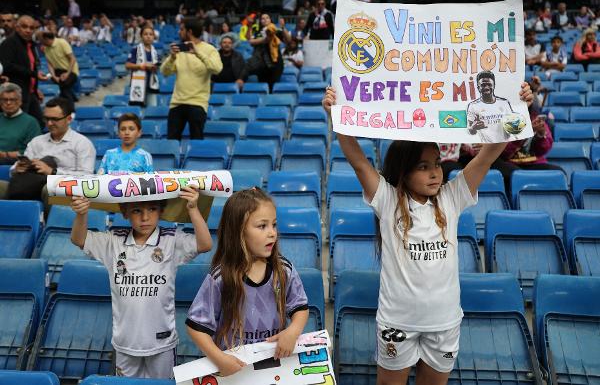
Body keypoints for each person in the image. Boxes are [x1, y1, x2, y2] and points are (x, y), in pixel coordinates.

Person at [321, 82, 532, 385]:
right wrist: (336, 115)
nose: (435, 172)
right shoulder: (388, 199)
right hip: (397, 322)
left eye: (436, 164)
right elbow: (357, 160)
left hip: (444, 322)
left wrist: (517, 107)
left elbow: (487, 156)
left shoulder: (452, 196)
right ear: (403, 171)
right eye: (423, 166)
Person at [70, 185, 212, 379]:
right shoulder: (114, 240)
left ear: (161, 211)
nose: (145, 217)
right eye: (137, 210)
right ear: (124, 211)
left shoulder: (171, 239)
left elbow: (205, 244)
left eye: (152, 209)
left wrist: (193, 209)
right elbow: (79, 239)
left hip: (161, 342)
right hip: (125, 341)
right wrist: (82, 214)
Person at [186, 188, 309, 376]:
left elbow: (300, 308)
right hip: (235, 371)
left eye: (274, 225)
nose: (272, 233)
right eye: (262, 226)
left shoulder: (284, 270)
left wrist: (293, 331)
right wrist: (219, 359)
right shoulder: (220, 278)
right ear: (239, 232)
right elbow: (196, 328)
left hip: (274, 368)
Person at [0, 97, 95, 201]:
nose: (49, 123)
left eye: (55, 119)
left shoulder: (82, 143)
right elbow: (16, 167)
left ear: (68, 119)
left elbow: (87, 178)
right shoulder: (37, 141)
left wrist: (52, 172)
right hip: (30, 183)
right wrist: (17, 168)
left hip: (63, 189)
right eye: (46, 119)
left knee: (48, 188)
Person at [161, 17, 222, 140]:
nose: (179, 32)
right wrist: (172, 57)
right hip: (177, 103)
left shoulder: (210, 49)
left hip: (197, 103)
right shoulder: (179, 50)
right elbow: (164, 72)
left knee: (197, 140)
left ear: (189, 32)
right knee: (172, 141)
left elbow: (217, 69)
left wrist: (198, 53)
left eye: (182, 29)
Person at [0, 15, 46, 126]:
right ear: (17, 27)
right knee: (18, 125)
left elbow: (31, 67)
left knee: (39, 123)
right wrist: (34, 74)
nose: (28, 30)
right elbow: (7, 66)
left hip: (30, 92)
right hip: (16, 94)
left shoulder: (31, 45)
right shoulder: (9, 43)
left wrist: (35, 90)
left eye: (31, 28)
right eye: (24, 27)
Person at [241, 14, 291, 91]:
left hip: (275, 64)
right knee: (263, 88)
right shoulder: (258, 32)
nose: (265, 19)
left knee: (273, 88)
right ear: (260, 21)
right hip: (261, 64)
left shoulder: (276, 30)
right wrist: (250, 26)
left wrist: (283, 27)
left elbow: (288, 40)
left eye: (267, 18)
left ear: (270, 20)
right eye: (262, 18)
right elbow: (250, 40)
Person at [467, 71, 517, 143]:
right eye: (483, 85)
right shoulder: (473, 106)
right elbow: (471, 131)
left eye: (489, 84)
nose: (486, 87)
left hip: (505, 146)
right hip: (486, 147)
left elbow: (513, 126)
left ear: (494, 85)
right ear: (478, 87)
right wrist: (473, 128)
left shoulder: (504, 103)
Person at [0, 82, 41, 165]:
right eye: (5, 100)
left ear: (20, 101)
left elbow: (34, 151)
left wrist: (5, 154)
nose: (8, 103)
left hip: (15, 163)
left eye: (13, 100)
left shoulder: (31, 122)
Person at [40, 32, 79, 106]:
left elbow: (72, 59)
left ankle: (70, 107)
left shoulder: (62, 42)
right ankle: (73, 98)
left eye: (42, 41)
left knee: (63, 85)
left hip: (71, 70)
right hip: (58, 71)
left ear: (47, 39)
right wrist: (54, 76)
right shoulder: (46, 48)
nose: (40, 43)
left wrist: (67, 74)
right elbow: (50, 64)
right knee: (57, 82)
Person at [125, 26, 160, 107]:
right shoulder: (135, 49)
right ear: (141, 36)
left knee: (151, 111)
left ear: (153, 37)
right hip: (138, 85)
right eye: (145, 34)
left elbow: (157, 68)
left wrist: (155, 68)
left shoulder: (155, 52)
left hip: (151, 86)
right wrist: (141, 66)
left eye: (151, 34)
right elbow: (127, 65)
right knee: (137, 113)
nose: (148, 36)